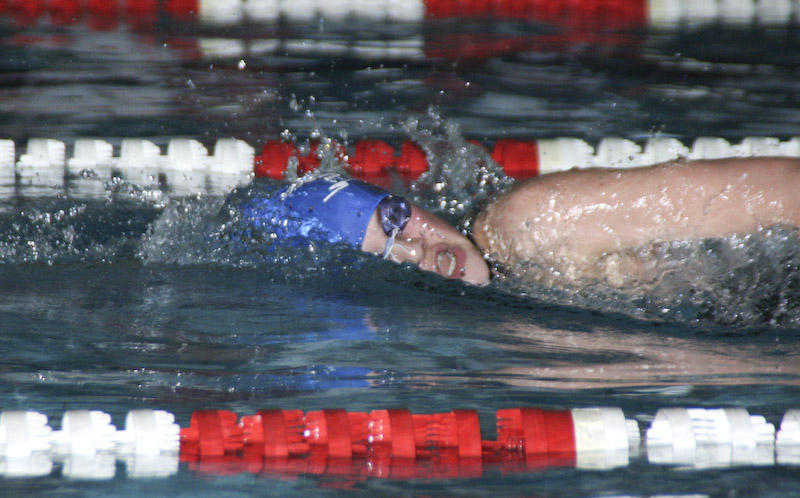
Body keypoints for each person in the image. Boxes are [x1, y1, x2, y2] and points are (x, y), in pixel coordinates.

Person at [236, 157, 800, 287]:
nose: (421, 253)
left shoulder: (532, 223)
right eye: (386, 260)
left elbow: (783, 192)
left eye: (395, 221)